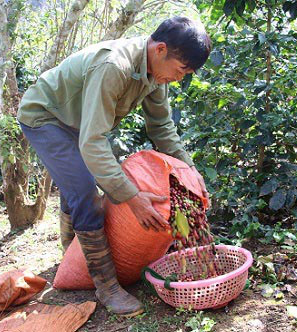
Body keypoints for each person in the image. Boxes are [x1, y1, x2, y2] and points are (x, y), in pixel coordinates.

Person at [17, 16, 212, 317]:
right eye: (181, 70)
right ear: (161, 49)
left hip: (77, 122)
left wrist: (191, 172)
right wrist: (131, 196)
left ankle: (74, 259)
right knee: (84, 189)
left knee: (75, 186)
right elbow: (93, 142)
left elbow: (161, 128)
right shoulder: (115, 67)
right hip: (45, 117)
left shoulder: (154, 75)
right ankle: (106, 286)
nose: (179, 78)